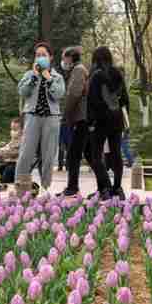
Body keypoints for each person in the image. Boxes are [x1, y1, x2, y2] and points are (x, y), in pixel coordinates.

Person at [16, 42, 66, 193]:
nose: (40, 57)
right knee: (26, 153)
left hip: (51, 119)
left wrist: (48, 78)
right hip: (32, 117)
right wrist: (34, 77)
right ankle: (20, 187)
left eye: (44, 55)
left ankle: (45, 188)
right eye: (38, 55)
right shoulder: (29, 75)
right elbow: (22, 92)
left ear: (50, 57)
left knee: (48, 155)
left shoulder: (57, 77)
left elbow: (59, 94)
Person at [87, 46, 129, 201]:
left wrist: (91, 121)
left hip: (100, 121)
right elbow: (124, 99)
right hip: (117, 119)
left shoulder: (95, 75)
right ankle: (118, 188)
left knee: (96, 156)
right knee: (116, 154)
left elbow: (92, 101)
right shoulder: (117, 73)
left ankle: (106, 188)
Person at [60, 46, 91, 196]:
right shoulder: (77, 70)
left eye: (64, 57)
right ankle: (105, 187)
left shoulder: (78, 70)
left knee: (73, 154)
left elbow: (74, 94)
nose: (63, 61)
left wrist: (65, 115)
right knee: (90, 155)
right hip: (81, 118)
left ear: (70, 58)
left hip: (81, 118)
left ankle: (72, 188)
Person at [0, 118, 22, 183]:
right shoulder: (13, 141)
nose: (12, 132)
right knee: (0, 168)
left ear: (22, 131)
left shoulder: (23, 141)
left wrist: (3, 154)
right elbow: (7, 147)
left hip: (18, 164)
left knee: (8, 171)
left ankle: (5, 183)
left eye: (15, 130)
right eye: (11, 129)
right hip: (10, 162)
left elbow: (15, 152)